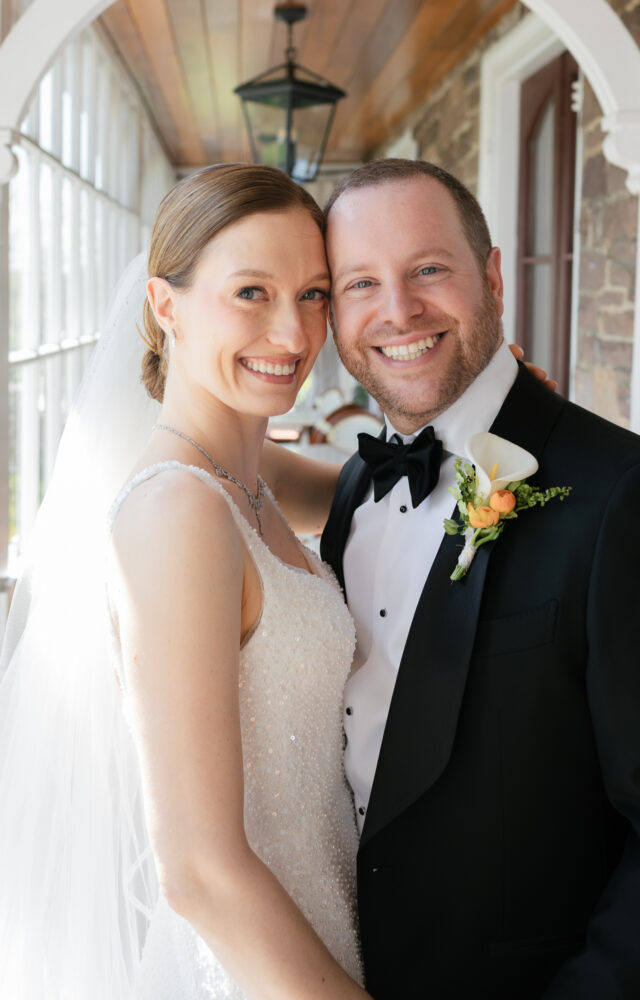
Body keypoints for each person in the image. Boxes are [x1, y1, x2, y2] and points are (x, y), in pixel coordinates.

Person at [0, 163, 370, 1000]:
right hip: (262, 970)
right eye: (250, 292)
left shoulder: (246, 470)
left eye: (314, 294)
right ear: (165, 307)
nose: (292, 332)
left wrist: (488, 433)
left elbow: (370, 488)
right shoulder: (179, 512)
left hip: (327, 921)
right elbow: (197, 870)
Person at [319, 158, 640, 999]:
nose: (397, 311)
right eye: (360, 283)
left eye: (427, 270)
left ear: (492, 275)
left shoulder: (629, 495)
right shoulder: (354, 487)